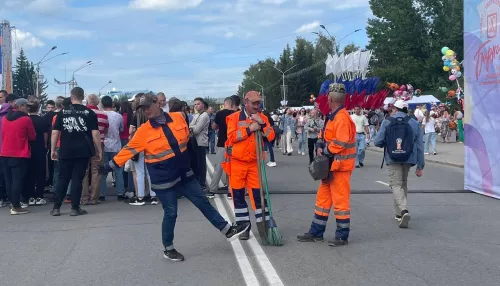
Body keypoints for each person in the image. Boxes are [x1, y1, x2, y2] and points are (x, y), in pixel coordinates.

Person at [102, 93, 250, 261]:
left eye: (147, 107)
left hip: (184, 174)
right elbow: (127, 151)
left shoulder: (179, 118)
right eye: (142, 109)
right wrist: (108, 167)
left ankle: (227, 230)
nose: (146, 111)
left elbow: (187, 138)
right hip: (163, 180)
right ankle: (168, 248)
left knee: (202, 201)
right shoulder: (143, 131)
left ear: (157, 103)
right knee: (171, 213)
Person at [297, 83, 356, 247]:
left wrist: (325, 151)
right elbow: (324, 134)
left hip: (339, 167)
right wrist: (319, 145)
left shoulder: (342, 118)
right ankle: (316, 232)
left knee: (340, 202)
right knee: (323, 200)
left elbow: (341, 142)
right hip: (330, 167)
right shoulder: (333, 116)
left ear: (330, 99)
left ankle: (342, 236)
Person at [225, 91, 275, 240]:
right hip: (237, 164)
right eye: (254, 103)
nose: (257, 106)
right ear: (245, 102)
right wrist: (249, 129)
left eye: (258, 103)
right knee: (238, 196)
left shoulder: (263, 117)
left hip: (254, 164)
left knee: (258, 197)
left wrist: (262, 123)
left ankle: (265, 227)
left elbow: (271, 137)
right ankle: (243, 227)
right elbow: (232, 137)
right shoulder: (234, 118)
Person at [50, 87, 103, 216]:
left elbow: (55, 132)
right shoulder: (89, 113)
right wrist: (99, 150)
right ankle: (75, 208)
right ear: (82, 96)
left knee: (63, 178)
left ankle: (56, 207)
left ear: (71, 96)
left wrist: (52, 150)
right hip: (83, 151)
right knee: (77, 179)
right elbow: (95, 133)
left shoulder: (62, 113)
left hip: (66, 150)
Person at [373, 100, 424, 228]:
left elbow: (377, 141)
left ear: (395, 109)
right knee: (403, 184)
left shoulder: (387, 121)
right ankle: (399, 213)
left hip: (392, 157)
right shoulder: (414, 123)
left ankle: (404, 210)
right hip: (408, 158)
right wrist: (420, 165)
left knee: (395, 185)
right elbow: (419, 146)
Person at [1, 98, 36, 215]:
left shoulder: (5, 118)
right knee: (17, 181)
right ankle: (16, 206)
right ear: (20, 107)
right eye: (26, 106)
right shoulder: (26, 119)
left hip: (5, 152)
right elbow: (32, 137)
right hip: (19, 153)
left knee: (9, 180)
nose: (28, 108)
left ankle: (12, 203)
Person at [129, 93, 157, 205]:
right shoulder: (153, 114)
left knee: (140, 171)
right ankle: (153, 196)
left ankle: (140, 197)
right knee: (150, 171)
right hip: (152, 145)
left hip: (139, 145)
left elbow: (131, 131)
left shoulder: (136, 115)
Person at [82, 94, 108, 203]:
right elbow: (105, 130)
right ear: (98, 103)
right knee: (96, 170)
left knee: (84, 170)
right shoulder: (103, 115)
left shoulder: (82, 114)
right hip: (99, 144)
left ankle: (84, 198)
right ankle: (94, 198)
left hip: (84, 144)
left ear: (87, 102)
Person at [100, 96, 125, 200]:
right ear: (112, 104)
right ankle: (120, 193)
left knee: (103, 171)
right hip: (116, 146)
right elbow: (122, 129)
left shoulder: (101, 115)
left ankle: (102, 194)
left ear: (102, 104)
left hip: (104, 145)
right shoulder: (119, 116)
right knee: (118, 171)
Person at [25, 97, 48, 206]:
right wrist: (45, 145)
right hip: (39, 148)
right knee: (40, 172)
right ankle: (39, 196)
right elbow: (45, 136)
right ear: (38, 107)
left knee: (29, 172)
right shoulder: (42, 120)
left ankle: (29, 196)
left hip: (27, 148)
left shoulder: (25, 119)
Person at [209, 97, 235, 193]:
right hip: (234, 144)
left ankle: (212, 189)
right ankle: (230, 189)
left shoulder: (220, 114)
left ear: (225, 104)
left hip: (222, 143)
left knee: (219, 168)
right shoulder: (237, 114)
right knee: (232, 168)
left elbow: (214, 127)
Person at [189, 97, 210, 195]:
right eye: (195, 104)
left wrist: (192, 127)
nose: (196, 106)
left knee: (201, 164)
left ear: (203, 105)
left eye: (198, 104)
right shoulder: (196, 115)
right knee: (195, 163)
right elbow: (190, 126)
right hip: (195, 141)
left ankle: (202, 184)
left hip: (201, 142)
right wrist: (192, 127)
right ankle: (198, 183)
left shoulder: (204, 115)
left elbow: (196, 130)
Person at [0, 91, 12, 207]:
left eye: (1, 97)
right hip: (6, 148)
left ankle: (4, 196)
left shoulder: (8, 115)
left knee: (5, 174)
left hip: (5, 148)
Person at [119, 100, 134, 194]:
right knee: (130, 166)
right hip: (130, 140)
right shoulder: (132, 116)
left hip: (121, 141)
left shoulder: (120, 117)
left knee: (122, 164)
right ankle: (131, 186)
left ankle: (124, 185)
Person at [44, 99, 56, 189]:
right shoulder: (45, 117)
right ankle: (50, 180)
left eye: (52, 107)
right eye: (49, 107)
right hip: (49, 142)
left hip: (53, 142)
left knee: (53, 164)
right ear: (46, 108)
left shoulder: (56, 116)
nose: (50, 109)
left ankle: (51, 180)